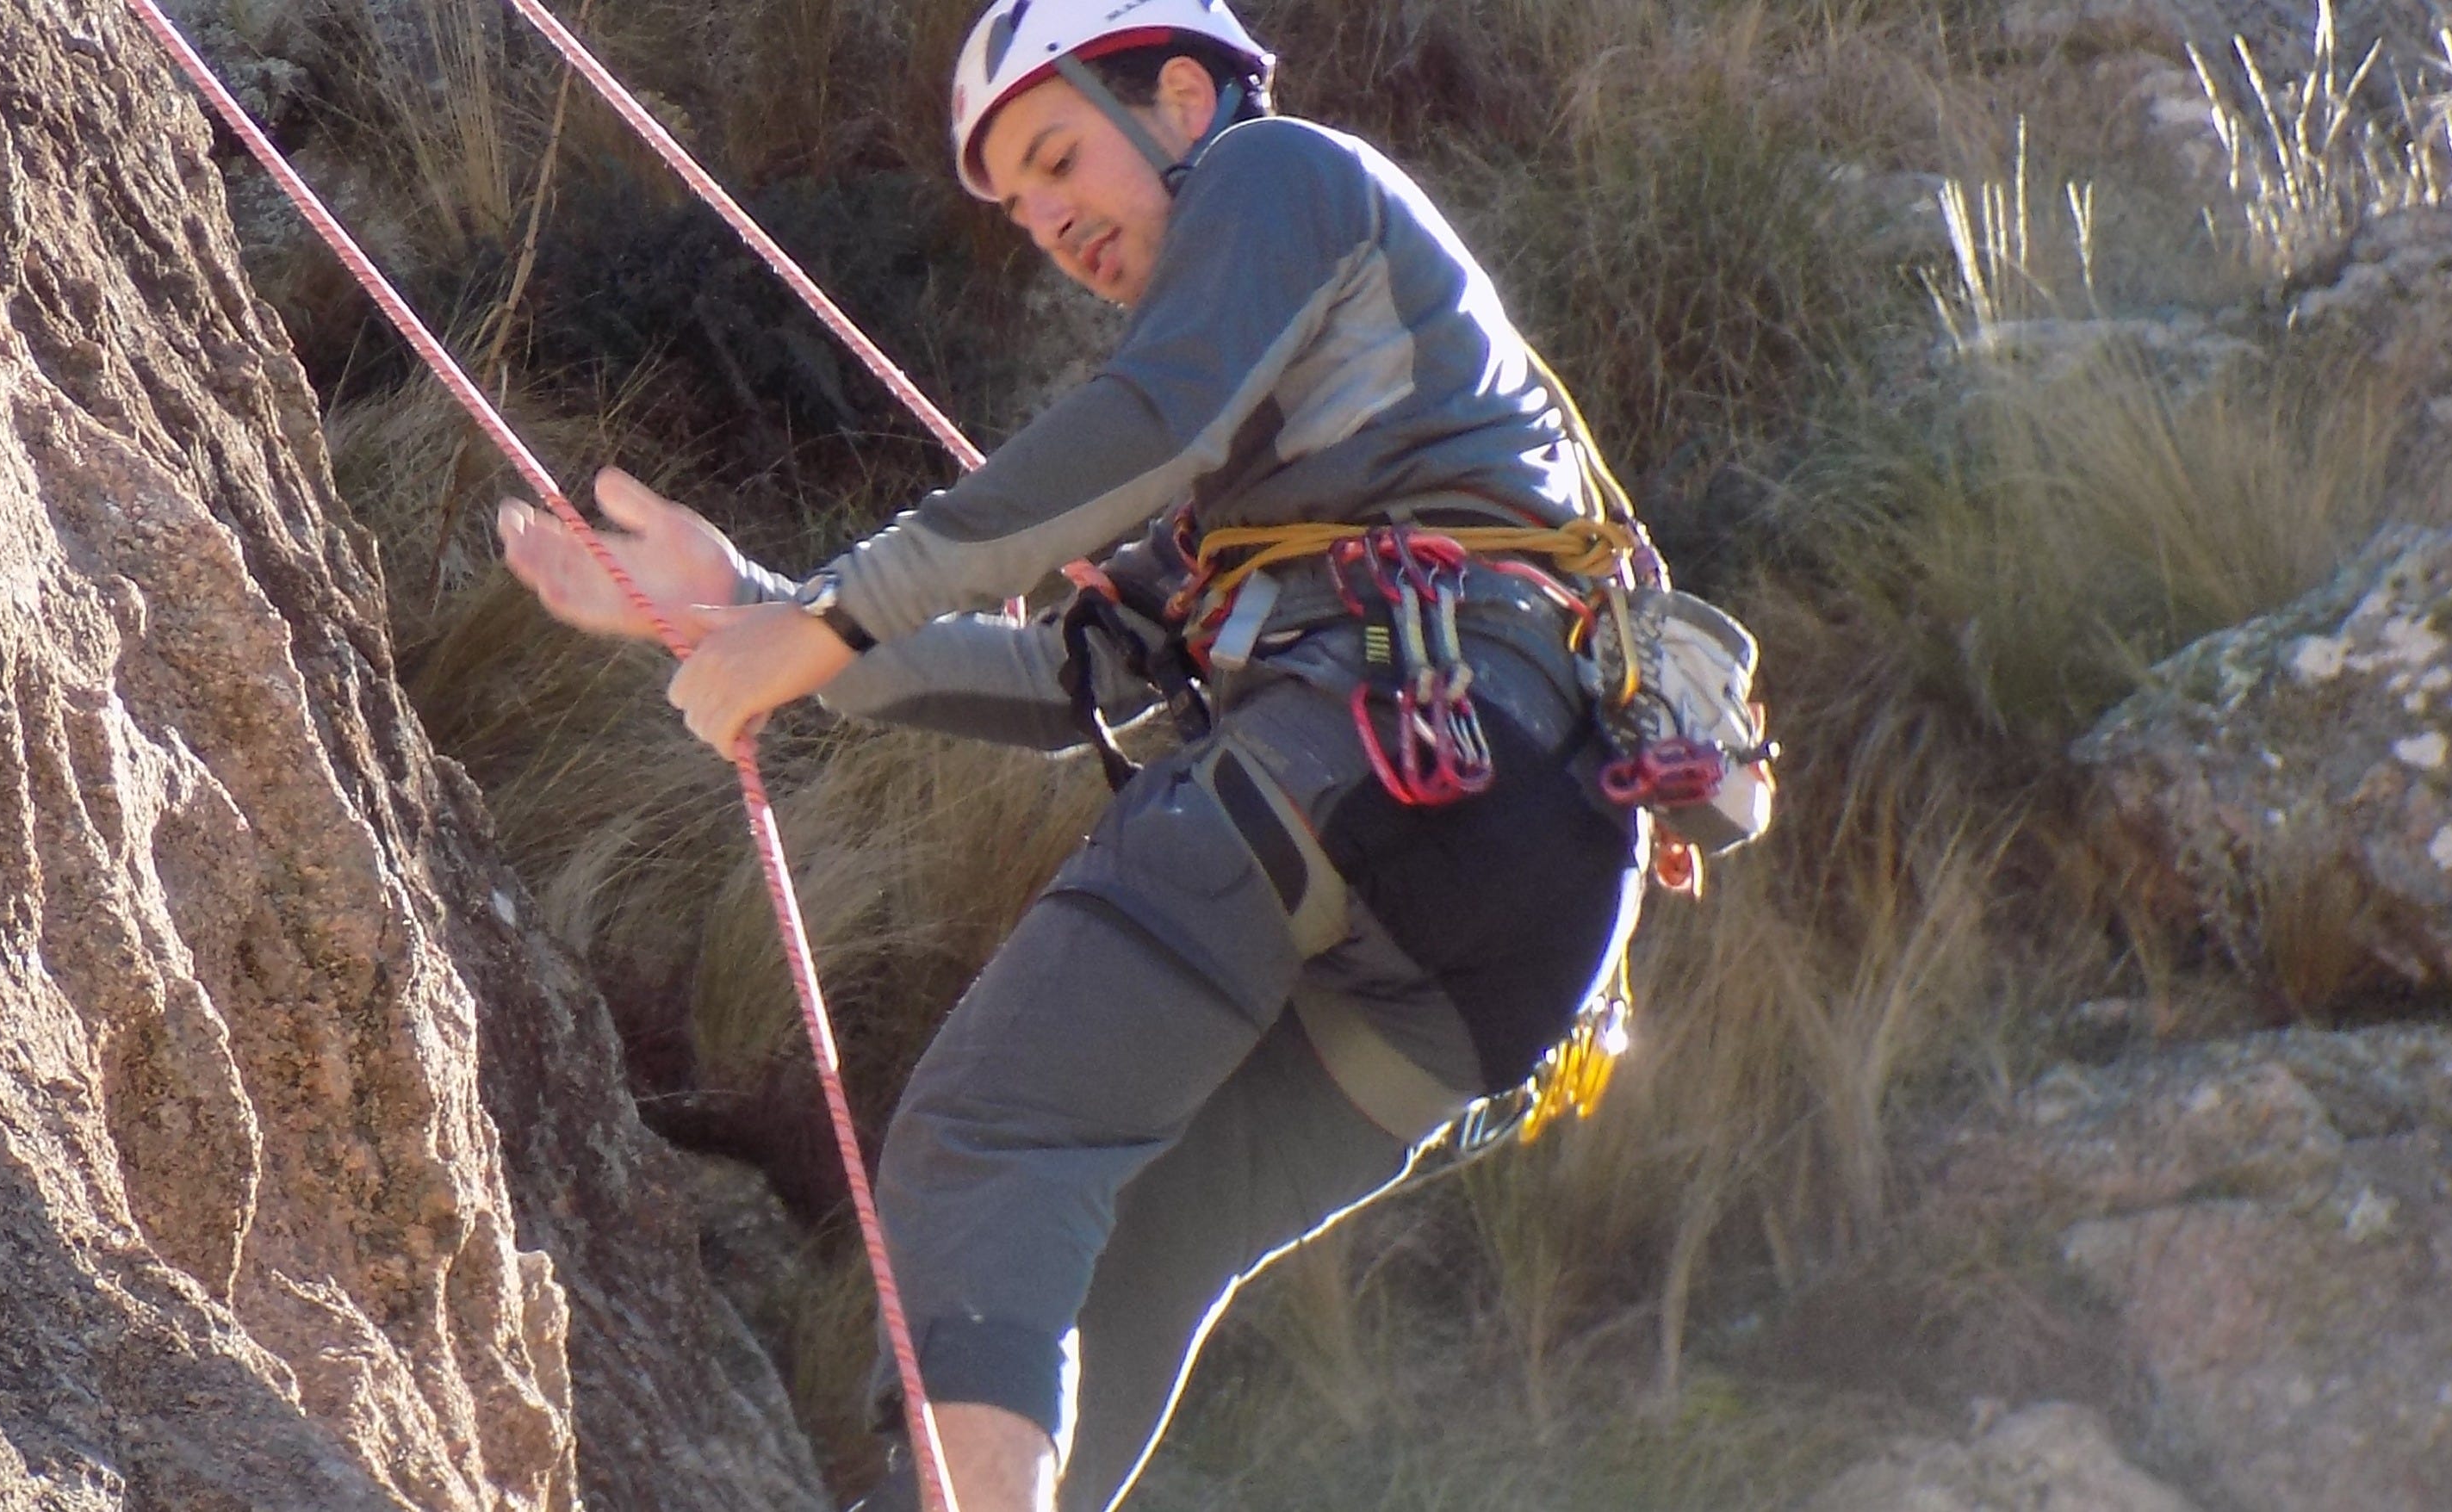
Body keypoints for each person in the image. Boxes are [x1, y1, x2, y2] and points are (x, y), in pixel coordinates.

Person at [494, 2, 1647, 1507]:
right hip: (1512, 923)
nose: (1052, 224)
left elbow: (1145, 415)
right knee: (1133, 1253)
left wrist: (835, 616)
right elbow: (1062, 682)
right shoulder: (1258, 476)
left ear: (1180, 97)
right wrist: (741, 611)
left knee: (986, 1140)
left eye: (1057, 159)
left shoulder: (1282, 173)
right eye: (1022, 210)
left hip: (1400, 743)